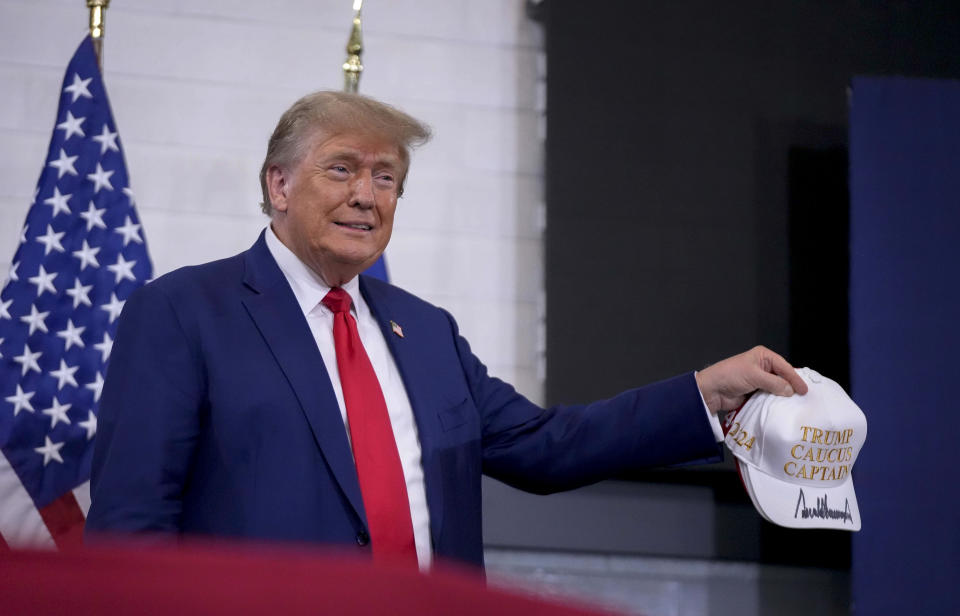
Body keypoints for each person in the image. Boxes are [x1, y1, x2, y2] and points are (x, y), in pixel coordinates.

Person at [86, 91, 807, 568]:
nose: (366, 196)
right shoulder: (183, 312)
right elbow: (132, 523)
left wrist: (703, 395)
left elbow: (547, 447)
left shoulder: (425, 333)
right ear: (279, 184)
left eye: (387, 177)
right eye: (341, 169)